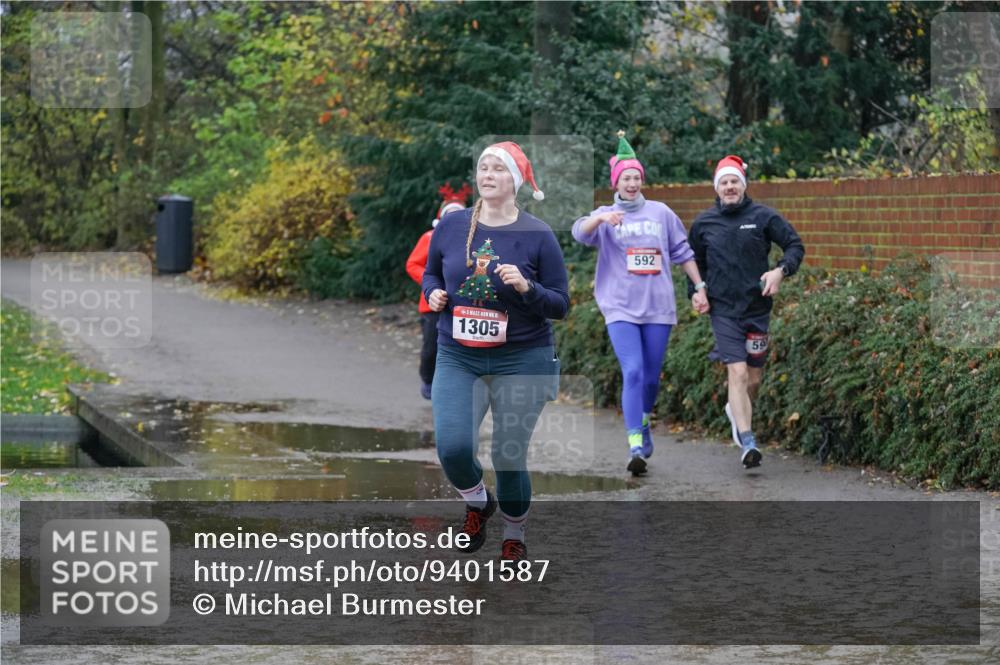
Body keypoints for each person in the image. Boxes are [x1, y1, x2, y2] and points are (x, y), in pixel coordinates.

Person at [422, 142, 569, 561]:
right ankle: (477, 502)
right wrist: (433, 293)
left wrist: (527, 287)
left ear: (515, 181)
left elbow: (560, 304)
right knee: (452, 447)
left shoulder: (537, 234)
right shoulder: (452, 227)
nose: (487, 175)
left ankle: (514, 534)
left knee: (508, 454)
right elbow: (431, 273)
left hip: (522, 357)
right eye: (483, 167)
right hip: (459, 355)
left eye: (498, 169)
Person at [572, 131, 708, 477]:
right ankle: (634, 444)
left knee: (650, 377)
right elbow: (579, 232)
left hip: (658, 306)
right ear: (616, 183)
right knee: (632, 370)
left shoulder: (661, 213)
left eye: (636, 178)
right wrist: (601, 218)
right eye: (626, 178)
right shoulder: (606, 214)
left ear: (642, 180)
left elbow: (682, 252)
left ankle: (644, 421)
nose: (632, 183)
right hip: (620, 307)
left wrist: (699, 287)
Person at [688, 155, 805, 469]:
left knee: (753, 379)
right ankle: (748, 440)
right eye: (724, 182)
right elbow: (694, 263)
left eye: (734, 182)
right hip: (723, 311)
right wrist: (696, 292)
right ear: (717, 188)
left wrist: (780, 271)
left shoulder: (763, 217)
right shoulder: (703, 224)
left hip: (757, 308)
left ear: (743, 185)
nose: (729, 187)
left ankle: (736, 409)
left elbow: (795, 245)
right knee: (737, 372)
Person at [406, 183, 472, 399]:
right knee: (431, 347)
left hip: (462, 304)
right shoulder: (430, 237)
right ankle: (428, 379)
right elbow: (413, 264)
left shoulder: (473, 241)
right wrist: (432, 284)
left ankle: (456, 386)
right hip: (432, 304)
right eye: (449, 214)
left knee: (461, 346)